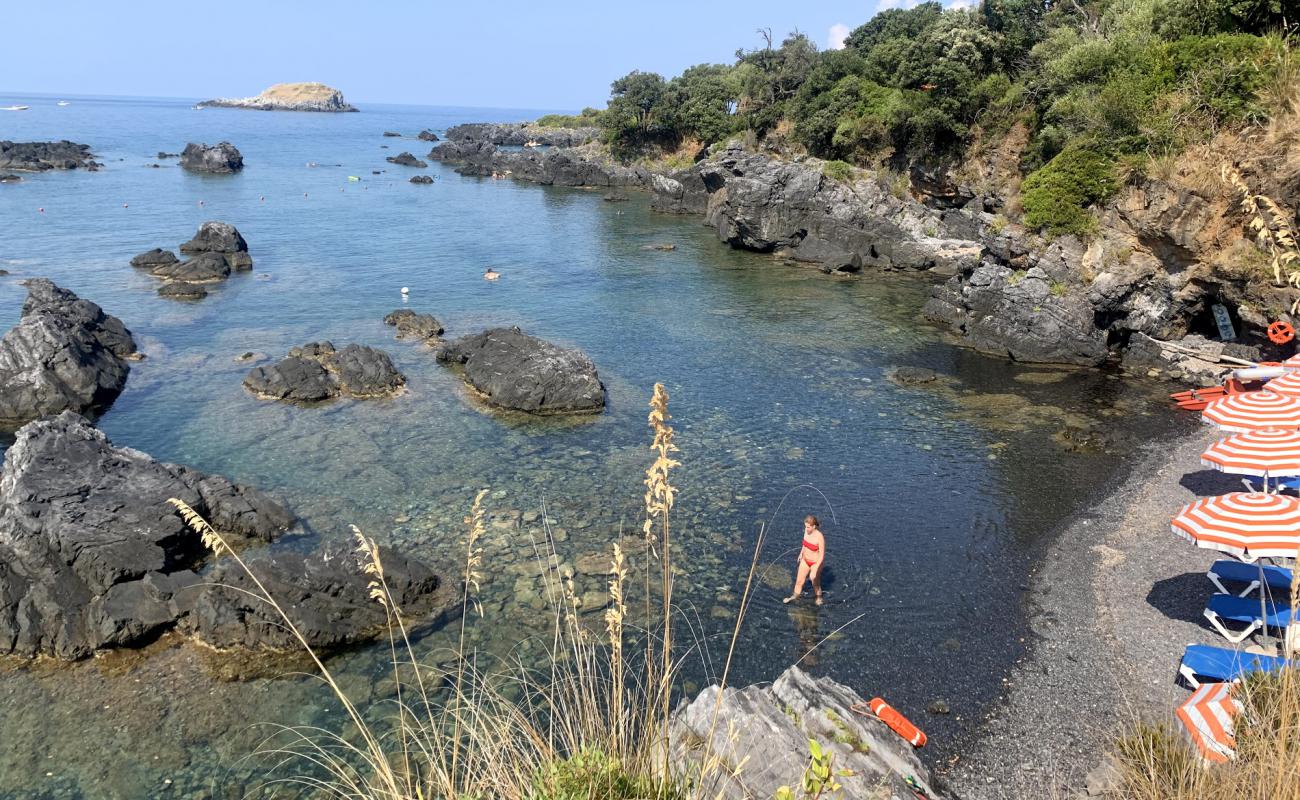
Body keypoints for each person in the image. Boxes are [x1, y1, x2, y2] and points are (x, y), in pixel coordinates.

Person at [784, 514, 825, 606]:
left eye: (808, 527)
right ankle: (795, 596)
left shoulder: (819, 537)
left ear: (814, 526)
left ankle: (819, 597)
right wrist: (801, 553)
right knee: (799, 581)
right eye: (805, 526)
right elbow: (804, 544)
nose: (806, 529)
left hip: (816, 562)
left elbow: (822, 555)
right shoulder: (806, 532)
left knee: (814, 580)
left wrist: (815, 569)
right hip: (805, 560)